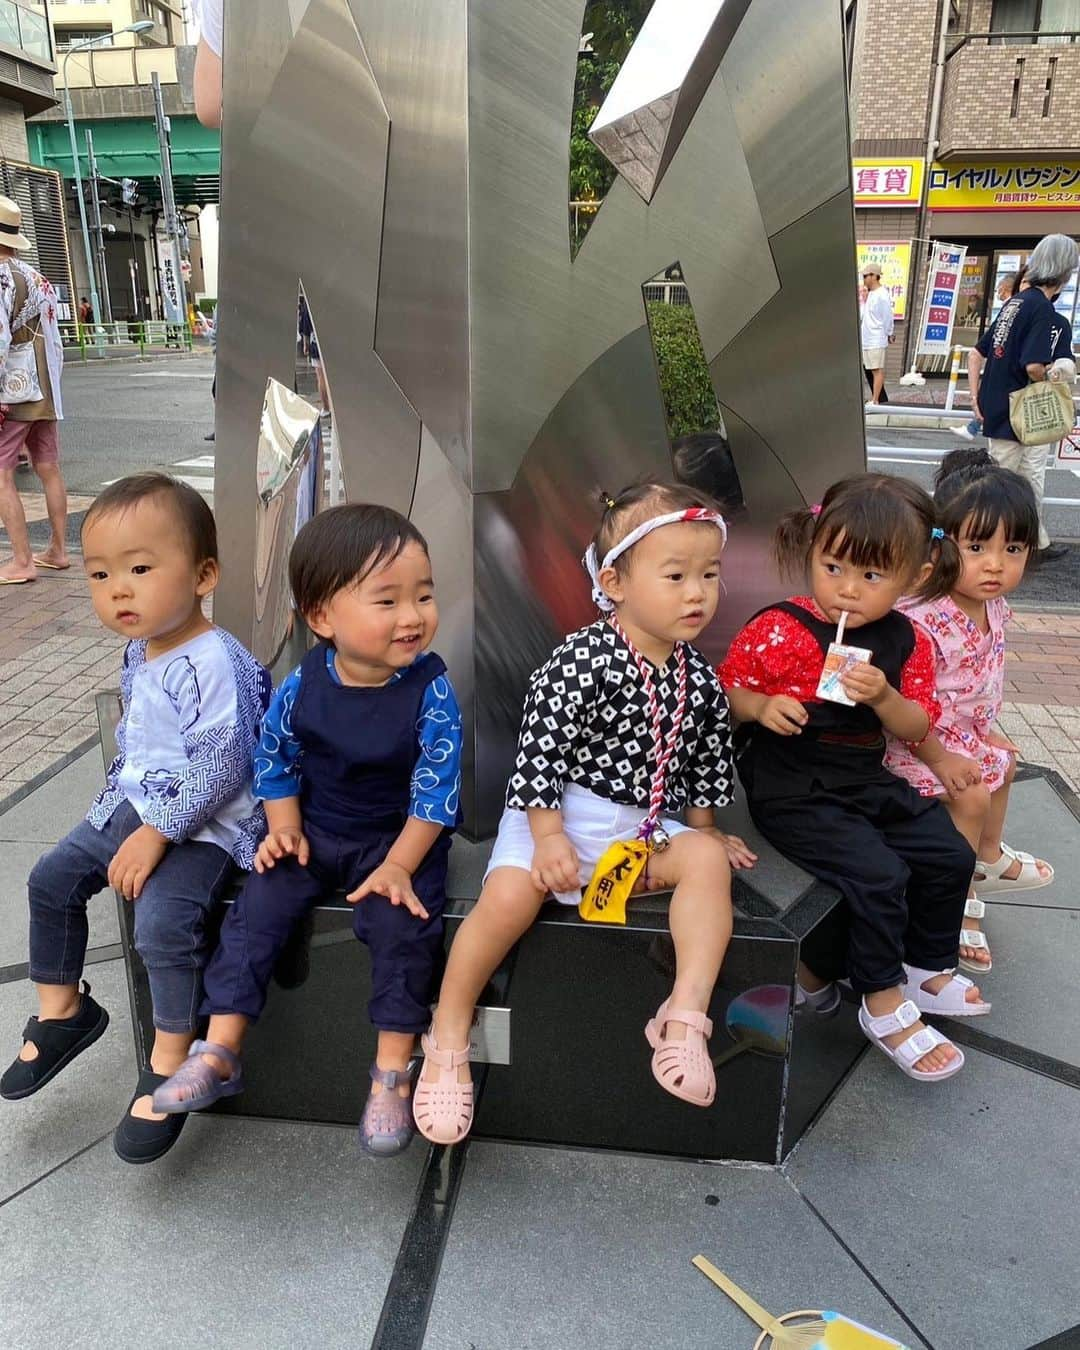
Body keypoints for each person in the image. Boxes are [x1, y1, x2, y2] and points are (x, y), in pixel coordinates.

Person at [413, 481, 750, 1146]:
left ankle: (684, 1015)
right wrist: (548, 838)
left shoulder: (698, 676)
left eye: (709, 575)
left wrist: (706, 829)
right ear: (616, 582)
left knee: (709, 864)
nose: (697, 594)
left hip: (640, 828)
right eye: (676, 575)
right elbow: (538, 751)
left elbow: (710, 758)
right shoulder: (581, 660)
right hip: (561, 815)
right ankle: (450, 1030)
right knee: (507, 899)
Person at [152, 504, 463, 1158]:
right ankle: (220, 1048)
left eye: (424, 595)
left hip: (397, 841)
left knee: (401, 929)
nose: (413, 615)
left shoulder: (431, 692)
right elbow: (276, 756)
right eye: (388, 600)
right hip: (316, 830)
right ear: (323, 618)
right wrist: (285, 827)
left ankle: (390, 1071)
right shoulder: (303, 685)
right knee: (258, 907)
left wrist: (402, 864)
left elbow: (436, 792)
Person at [0, 474, 270, 1164]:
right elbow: (141, 741)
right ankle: (65, 1012)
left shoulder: (215, 661)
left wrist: (156, 833)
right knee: (51, 879)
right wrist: (125, 815)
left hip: (208, 824)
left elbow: (225, 760)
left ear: (204, 573)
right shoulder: (139, 648)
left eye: (140, 569)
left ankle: (174, 1053)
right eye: (99, 575)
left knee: (161, 924)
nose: (117, 589)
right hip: (141, 802)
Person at [718, 474, 986, 1084]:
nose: (846, 590)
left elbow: (916, 723)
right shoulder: (781, 627)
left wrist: (886, 696)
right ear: (812, 552)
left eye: (871, 577)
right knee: (879, 873)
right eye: (833, 566)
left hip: (863, 779)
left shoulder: (905, 638)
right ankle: (882, 997)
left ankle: (926, 963)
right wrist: (760, 708)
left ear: (915, 576)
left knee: (946, 852)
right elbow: (725, 691)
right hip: (792, 788)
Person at [884, 449, 1052, 973]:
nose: (996, 565)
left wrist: (990, 728)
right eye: (977, 547)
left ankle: (988, 859)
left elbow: (980, 682)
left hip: (964, 734)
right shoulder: (922, 619)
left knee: (1007, 760)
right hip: (916, 742)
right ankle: (952, 898)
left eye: (1014, 548)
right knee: (973, 793)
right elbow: (906, 705)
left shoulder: (993, 604)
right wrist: (944, 755)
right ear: (941, 545)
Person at [967, 233, 1080, 564]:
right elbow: (1033, 366)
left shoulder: (1015, 303)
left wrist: (976, 398)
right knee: (1013, 481)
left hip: (999, 404)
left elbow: (977, 353)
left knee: (1013, 476)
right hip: (1024, 409)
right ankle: (985, 544)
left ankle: (1031, 542)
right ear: (1064, 270)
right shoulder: (1042, 309)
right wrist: (1055, 378)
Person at [0, 196, 70, 584]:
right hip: (45, 386)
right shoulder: (36, 276)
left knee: (2, 473)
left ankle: (21, 560)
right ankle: (58, 549)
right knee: (47, 466)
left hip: (13, 388)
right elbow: (53, 335)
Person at [952, 270, 1024, 442]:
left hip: (1004, 388)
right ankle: (972, 426)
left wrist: (973, 397)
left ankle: (973, 426)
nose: (998, 293)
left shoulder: (1009, 311)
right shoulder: (1025, 311)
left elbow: (976, 354)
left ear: (1007, 289)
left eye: (999, 289)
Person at [860, 263, 894, 405]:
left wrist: (890, 332)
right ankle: (878, 397)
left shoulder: (882, 294)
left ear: (874, 276)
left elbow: (887, 316)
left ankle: (876, 400)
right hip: (867, 338)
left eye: (866, 276)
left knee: (876, 369)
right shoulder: (872, 294)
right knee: (870, 368)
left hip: (876, 338)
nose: (864, 279)